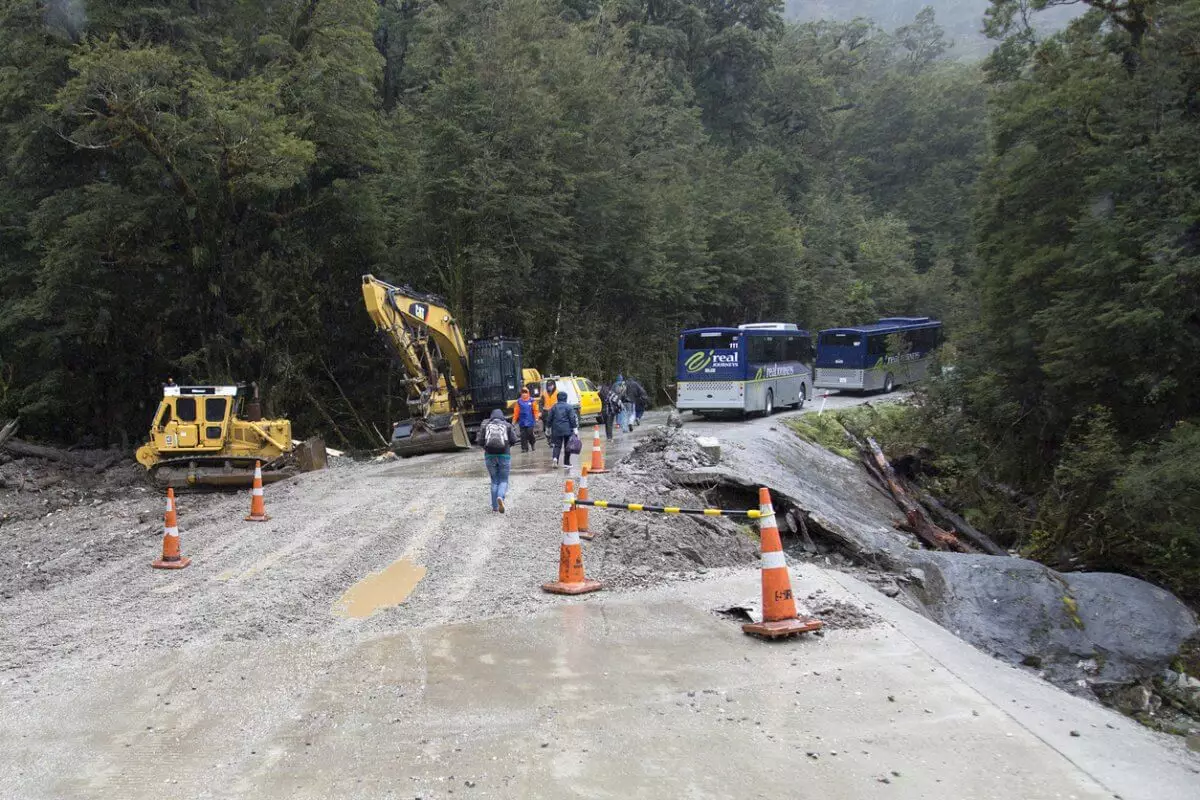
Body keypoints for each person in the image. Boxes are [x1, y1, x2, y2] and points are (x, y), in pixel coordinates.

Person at [480, 409, 517, 513]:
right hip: (504, 455)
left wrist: (487, 448)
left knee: (494, 480)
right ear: (502, 416)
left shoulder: (486, 425)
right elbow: (514, 440)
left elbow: (480, 441)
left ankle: (495, 507)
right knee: (504, 480)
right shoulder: (507, 425)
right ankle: (500, 497)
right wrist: (507, 446)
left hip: (489, 456)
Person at [544, 390, 578, 468]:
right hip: (567, 430)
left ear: (557, 398)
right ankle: (566, 463)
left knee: (557, 445)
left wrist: (548, 428)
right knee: (567, 446)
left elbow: (549, 419)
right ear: (566, 398)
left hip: (556, 430)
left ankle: (555, 459)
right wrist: (575, 428)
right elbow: (572, 418)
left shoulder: (554, 407)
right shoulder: (569, 407)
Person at [511, 387, 540, 452]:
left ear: (528, 393)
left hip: (530, 421)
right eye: (523, 393)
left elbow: (535, 410)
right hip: (522, 422)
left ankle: (532, 444)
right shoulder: (518, 402)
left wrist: (536, 418)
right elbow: (516, 413)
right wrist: (514, 421)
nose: (524, 394)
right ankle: (524, 448)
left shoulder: (532, 400)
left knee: (530, 434)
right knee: (523, 436)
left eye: (525, 392)